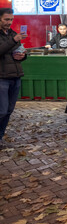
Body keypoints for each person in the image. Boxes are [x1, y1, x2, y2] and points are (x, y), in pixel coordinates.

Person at [0, 8, 27, 148]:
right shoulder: (13, 36)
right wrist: (13, 40)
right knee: (2, 110)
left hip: (15, 76)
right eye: (6, 19)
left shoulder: (12, 34)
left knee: (9, 110)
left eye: (11, 19)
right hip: (2, 77)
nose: (9, 22)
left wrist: (23, 55)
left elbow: (18, 50)